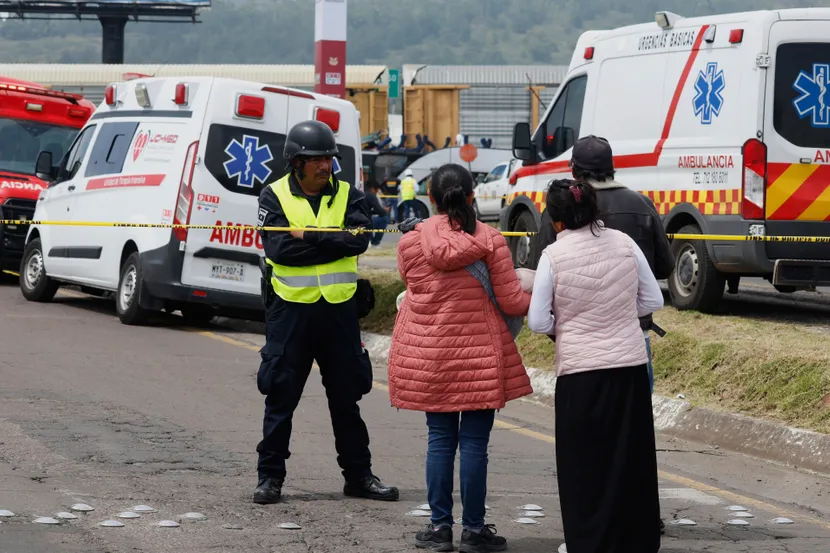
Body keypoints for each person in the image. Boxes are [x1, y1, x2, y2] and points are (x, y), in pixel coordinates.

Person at [389, 163, 532, 553]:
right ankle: (473, 529)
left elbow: (413, 286)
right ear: (472, 197)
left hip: (430, 354)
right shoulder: (490, 239)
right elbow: (512, 301)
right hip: (480, 357)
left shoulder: (410, 243)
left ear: (430, 198)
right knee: (473, 444)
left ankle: (439, 529)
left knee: (439, 440)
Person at [253, 119, 399, 505]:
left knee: (347, 399)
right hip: (291, 313)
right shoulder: (274, 196)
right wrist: (332, 242)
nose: (325, 166)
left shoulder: (350, 195)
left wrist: (308, 236)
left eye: (329, 159)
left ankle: (359, 477)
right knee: (280, 399)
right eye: (316, 159)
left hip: (338, 314)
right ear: (296, 162)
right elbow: (280, 251)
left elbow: (358, 243)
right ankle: (269, 478)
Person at [528, 179, 664, 553]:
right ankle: (635, 540)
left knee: (584, 463)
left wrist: (568, 326)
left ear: (555, 220)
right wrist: (619, 316)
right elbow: (652, 298)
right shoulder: (624, 242)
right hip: (629, 367)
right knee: (629, 458)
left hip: (581, 372)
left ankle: (587, 541)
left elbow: (538, 321)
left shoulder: (553, 257)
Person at [531, 135, 674, 395]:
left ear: (573, 170)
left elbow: (538, 271)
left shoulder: (559, 211)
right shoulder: (642, 204)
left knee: (586, 431)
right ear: (612, 167)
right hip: (632, 340)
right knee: (632, 427)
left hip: (578, 348)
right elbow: (664, 267)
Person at [365, 182, 390, 247]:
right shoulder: (370, 195)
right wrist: (385, 211)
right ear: (373, 189)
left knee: (369, 219)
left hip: (358, 220)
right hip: (365, 222)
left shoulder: (361, 192)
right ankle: (375, 242)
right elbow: (379, 210)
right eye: (376, 191)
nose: (376, 193)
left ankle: (370, 240)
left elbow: (367, 211)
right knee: (384, 219)